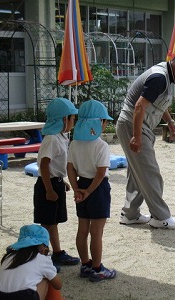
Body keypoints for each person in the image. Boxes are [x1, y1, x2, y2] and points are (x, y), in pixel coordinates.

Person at [116, 49, 175, 229]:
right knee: (150, 172)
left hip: (139, 125)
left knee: (138, 173)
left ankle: (130, 214)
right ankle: (160, 217)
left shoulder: (167, 77)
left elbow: (156, 102)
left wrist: (169, 122)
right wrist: (136, 137)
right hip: (133, 124)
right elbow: (139, 106)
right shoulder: (159, 77)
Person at [67, 100, 116, 282]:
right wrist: (88, 191)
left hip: (81, 184)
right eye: (104, 121)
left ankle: (85, 264)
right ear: (99, 122)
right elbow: (101, 172)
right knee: (97, 232)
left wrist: (76, 189)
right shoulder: (101, 145)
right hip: (97, 188)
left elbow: (70, 167)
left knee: (82, 229)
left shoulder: (74, 144)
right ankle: (97, 268)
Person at [33, 97, 80, 270]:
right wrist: (49, 189)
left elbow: (55, 165)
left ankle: (57, 253)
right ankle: (43, 258)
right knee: (47, 223)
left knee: (53, 222)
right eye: (72, 118)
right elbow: (44, 165)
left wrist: (62, 181)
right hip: (47, 185)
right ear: (63, 119)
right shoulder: (51, 138)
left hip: (55, 183)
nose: (74, 122)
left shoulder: (62, 136)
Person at [0, 224, 62, 300]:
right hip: (24, 297)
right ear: (44, 250)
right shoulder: (42, 259)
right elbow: (58, 285)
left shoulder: (9, 255)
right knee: (46, 278)